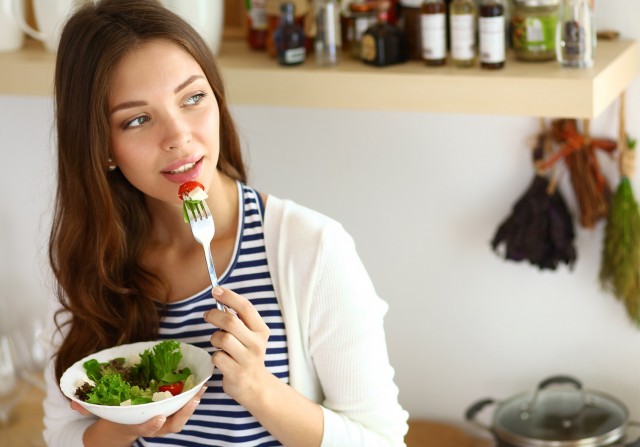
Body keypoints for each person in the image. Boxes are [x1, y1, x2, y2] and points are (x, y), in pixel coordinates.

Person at [42, 0, 409, 445]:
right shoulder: (92, 260)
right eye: (138, 119)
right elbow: (63, 437)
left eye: (192, 97)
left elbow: (382, 440)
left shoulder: (311, 248)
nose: (178, 136)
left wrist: (260, 390)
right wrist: (121, 428)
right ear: (100, 146)